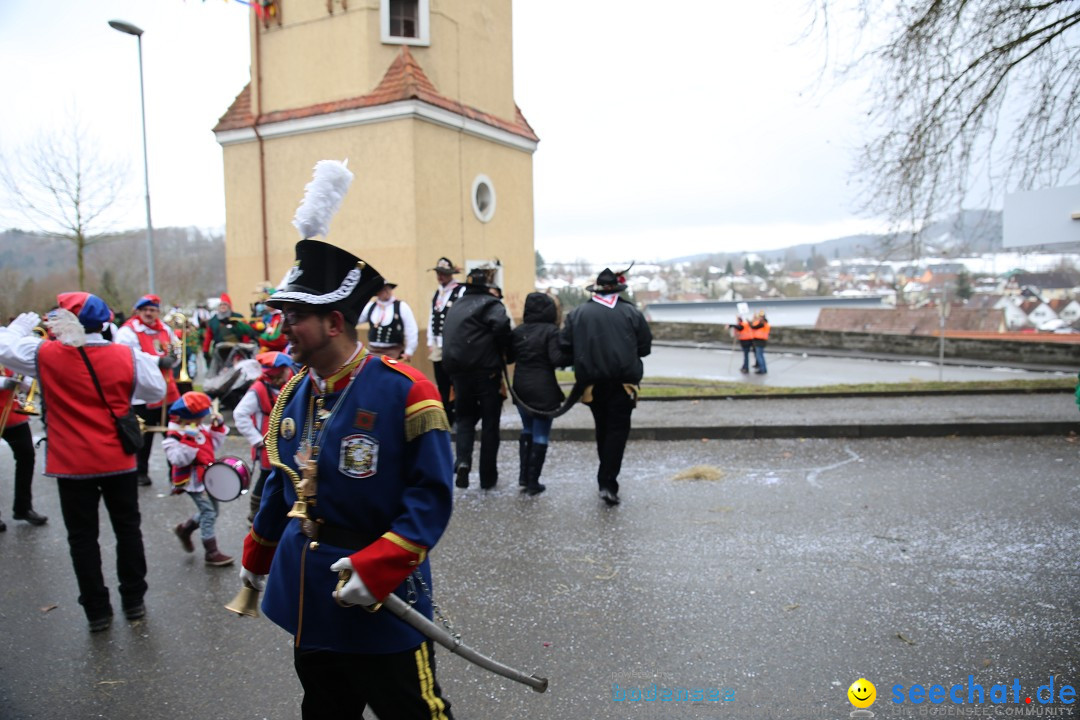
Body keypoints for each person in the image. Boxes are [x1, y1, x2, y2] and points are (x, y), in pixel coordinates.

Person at [238, 160, 455, 718]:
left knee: (417, 713)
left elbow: (429, 501)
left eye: (295, 317)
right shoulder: (295, 393)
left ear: (335, 323)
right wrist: (257, 556)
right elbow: (279, 485)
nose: (282, 327)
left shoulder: (407, 393)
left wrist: (380, 566)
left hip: (379, 598)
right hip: (309, 596)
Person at [0, 292, 166, 631]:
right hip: (118, 459)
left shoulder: (43, 354)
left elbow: (4, 349)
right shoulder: (127, 355)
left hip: (71, 463)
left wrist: (17, 328)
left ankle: (97, 611)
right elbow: (155, 392)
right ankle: (134, 601)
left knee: (82, 538)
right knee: (128, 530)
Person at [560, 267, 652, 506]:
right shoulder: (631, 312)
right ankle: (607, 482)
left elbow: (565, 347)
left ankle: (606, 478)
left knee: (603, 430)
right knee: (617, 433)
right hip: (623, 384)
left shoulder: (578, 313)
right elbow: (645, 348)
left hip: (592, 385)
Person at [441, 265, 512, 490]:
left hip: (459, 373)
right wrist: (507, 351)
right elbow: (501, 325)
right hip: (486, 372)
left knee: (464, 420)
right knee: (490, 425)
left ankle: (462, 461)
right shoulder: (491, 304)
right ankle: (487, 477)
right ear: (486, 287)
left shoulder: (456, 305)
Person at [507, 292, 571, 496]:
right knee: (541, 433)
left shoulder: (518, 331)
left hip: (520, 386)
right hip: (543, 387)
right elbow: (556, 360)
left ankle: (524, 477)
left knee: (527, 429)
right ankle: (534, 481)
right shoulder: (551, 331)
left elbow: (509, 358)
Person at [115, 294, 181, 486]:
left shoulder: (164, 329)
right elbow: (127, 355)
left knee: (173, 432)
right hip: (142, 391)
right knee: (144, 433)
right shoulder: (128, 331)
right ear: (138, 311)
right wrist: (157, 361)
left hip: (168, 389)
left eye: (152, 310)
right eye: (145, 310)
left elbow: (174, 351)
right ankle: (140, 472)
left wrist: (173, 359)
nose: (149, 314)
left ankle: (175, 472)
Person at [163, 391, 233, 566]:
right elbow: (177, 460)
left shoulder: (197, 427)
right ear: (188, 418)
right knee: (208, 512)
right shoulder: (175, 435)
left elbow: (212, 446)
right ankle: (211, 552)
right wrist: (188, 439)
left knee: (213, 511)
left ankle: (185, 529)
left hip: (208, 477)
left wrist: (217, 427)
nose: (203, 421)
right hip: (193, 481)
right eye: (200, 418)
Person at [233, 351, 295, 524]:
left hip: (283, 440)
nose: (288, 372)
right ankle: (255, 514)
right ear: (277, 372)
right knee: (267, 477)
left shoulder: (287, 384)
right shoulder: (258, 389)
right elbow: (240, 414)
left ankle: (277, 512)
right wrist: (257, 440)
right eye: (284, 369)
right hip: (267, 443)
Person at [0, 366, 46, 528]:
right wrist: (3, 382)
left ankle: (23, 507)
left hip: (13, 415)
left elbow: (26, 385)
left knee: (26, 457)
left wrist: (27, 382)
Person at [426, 257, 465, 426]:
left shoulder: (460, 291)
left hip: (454, 343)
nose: (440, 276)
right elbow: (431, 317)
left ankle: (458, 413)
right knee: (441, 382)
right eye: (438, 273)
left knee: (455, 382)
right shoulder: (437, 293)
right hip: (438, 344)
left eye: (443, 273)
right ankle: (446, 415)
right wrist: (429, 340)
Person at [358, 281, 419, 361]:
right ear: (377, 292)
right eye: (383, 289)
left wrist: (409, 351)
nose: (386, 291)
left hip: (394, 352)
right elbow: (356, 320)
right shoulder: (371, 307)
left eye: (388, 288)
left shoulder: (401, 306)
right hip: (373, 352)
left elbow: (411, 329)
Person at [201, 293, 255, 371]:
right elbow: (208, 337)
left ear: (229, 306)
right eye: (221, 305)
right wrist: (205, 351)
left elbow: (246, 334)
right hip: (220, 352)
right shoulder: (213, 320)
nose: (223, 306)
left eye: (225, 305)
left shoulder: (238, 318)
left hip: (237, 351)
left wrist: (245, 347)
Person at [251, 283, 288, 352]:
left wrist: (261, 338)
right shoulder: (273, 316)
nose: (264, 303)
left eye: (267, 300)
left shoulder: (280, 317)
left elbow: (278, 340)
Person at [750, 309, 770, 374]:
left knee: (759, 356)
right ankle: (763, 369)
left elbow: (754, 327)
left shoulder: (762, 323)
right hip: (759, 341)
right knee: (760, 356)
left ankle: (762, 369)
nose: (760, 318)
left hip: (760, 341)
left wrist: (749, 322)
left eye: (761, 317)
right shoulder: (764, 323)